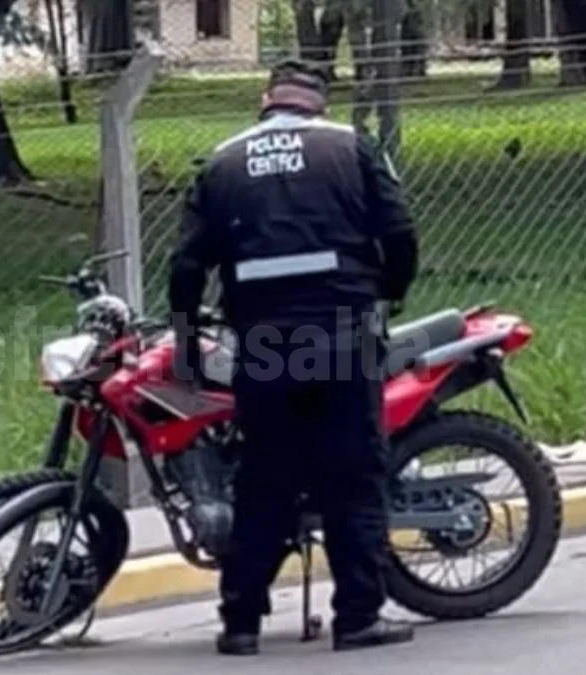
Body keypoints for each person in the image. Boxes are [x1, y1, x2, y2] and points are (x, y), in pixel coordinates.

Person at [167, 59, 419, 656]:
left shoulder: (225, 161)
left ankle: (241, 625)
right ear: (318, 104)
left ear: (266, 101)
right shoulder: (348, 147)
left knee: (263, 482)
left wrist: (184, 342)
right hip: (339, 334)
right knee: (353, 477)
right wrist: (388, 291)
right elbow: (401, 233)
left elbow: (185, 266)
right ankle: (357, 618)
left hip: (264, 343)